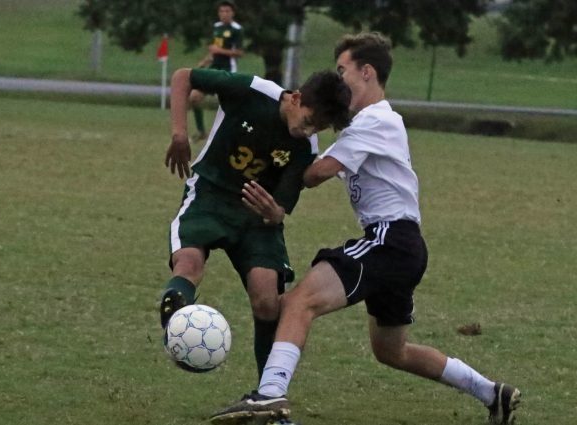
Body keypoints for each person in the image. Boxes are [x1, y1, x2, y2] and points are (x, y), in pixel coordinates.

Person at [210, 32, 522, 424]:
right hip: (404, 247)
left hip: (389, 240)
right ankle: (493, 393)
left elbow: (315, 174)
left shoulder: (376, 120)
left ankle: (269, 395)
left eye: (343, 72)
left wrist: (286, 143)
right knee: (391, 351)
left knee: (297, 302)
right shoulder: (370, 123)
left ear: (367, 72)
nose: (338, 82)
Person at [161, 66, 351, 379]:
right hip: (210, 194)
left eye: (317, 128)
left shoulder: (304, 148)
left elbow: (280, 208)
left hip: (255, 217)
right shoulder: (251, 90)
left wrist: (275, 213)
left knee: (267, 300)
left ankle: (267, 392)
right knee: (188, 263)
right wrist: (180, 133)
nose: (307, 131)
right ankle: (175, 320)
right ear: (296, 98)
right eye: (307, 121)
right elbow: (184, 77)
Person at [190, 0, 244, 141]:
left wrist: (219, 50)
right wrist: (205, 61)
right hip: (214, 68)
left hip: (228, 70)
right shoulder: (216, 27)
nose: (224, 14)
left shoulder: (236, 29)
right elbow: (214, 51)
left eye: (227, 11)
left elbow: (239, 52)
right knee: (195, 97)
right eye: (222, 11)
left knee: (230, 106)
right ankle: (201, 131)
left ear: (232, 13)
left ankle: (236, 135)